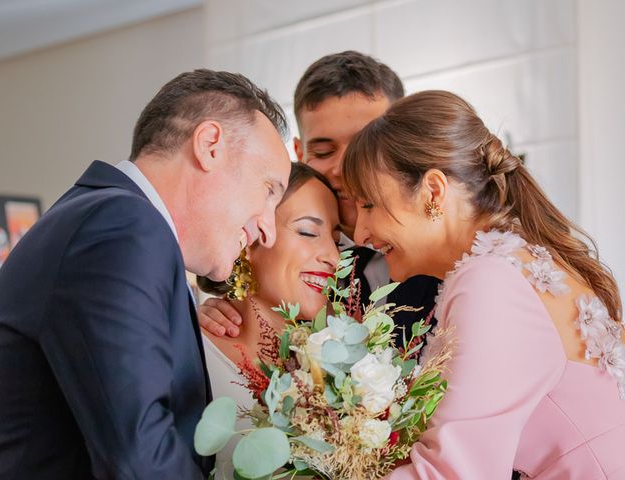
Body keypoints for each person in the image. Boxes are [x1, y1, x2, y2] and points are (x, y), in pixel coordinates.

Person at [0, 69, 291, 479]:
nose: (268, 231)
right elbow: (139, 456)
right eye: (269, 190)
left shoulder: (110, 220)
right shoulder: (122, 224)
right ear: (210, 145)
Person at [341, 90, 625, 479]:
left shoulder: (490, 280)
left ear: (434, 192)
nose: (360, 232)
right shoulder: (515, 260)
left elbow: (456, 472)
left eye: (369, 204)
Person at [200, 51, 440, 346]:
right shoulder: (286, 263)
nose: (343, 168)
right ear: (299, 154)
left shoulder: (446, 251)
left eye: (366, 147)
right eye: (324, 152)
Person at [198, 162, 340, 477]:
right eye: (308, 231)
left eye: (337, 239)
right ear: (248, 238)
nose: (333, 255)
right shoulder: (190, 354)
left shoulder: (339, 364)